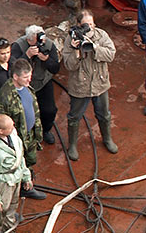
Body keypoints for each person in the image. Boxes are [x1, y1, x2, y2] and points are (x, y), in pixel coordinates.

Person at [62, 9, 118, 161]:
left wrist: (94, 47)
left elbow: (111, 55)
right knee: (74, 117)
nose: (89, 28)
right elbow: (69, 66)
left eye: (91, 24)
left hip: (100, 83)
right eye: (85, 25)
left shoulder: (101, 35)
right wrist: (75, 51)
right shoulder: (70, 40)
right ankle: (72, 145)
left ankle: (107, 139)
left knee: (104, 114)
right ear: (79, 25)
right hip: (80, 85)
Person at [0, 58, 46, 200]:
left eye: (30, 76)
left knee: (30, 160)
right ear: (15, 77)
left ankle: (27, 183)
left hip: (30, 136)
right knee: (18, 165)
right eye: (26, 77)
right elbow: (1, 124)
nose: (29, 80)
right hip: (17, 141)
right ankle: (21, 189)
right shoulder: (4, 96)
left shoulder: (27, 88)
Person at [10, 25, 60, 145]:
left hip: (42, 82)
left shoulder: (49, 44)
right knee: (23, 112)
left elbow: (55, 68)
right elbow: (12, 69)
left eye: (41, 40)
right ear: (28, 40)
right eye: (35, 41)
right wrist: (27, 56)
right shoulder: (18, 46)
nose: (40, 43)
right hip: (24, 85)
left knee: (49, 110)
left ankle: (45, 130)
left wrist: (46, 59)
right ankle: (22, 134)